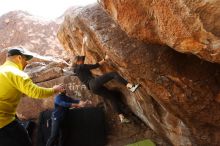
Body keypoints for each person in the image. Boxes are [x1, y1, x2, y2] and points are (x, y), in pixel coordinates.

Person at [0, 47, 65, 146]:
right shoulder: (17, 73)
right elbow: (35, 92)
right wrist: (54, 90)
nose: (27, 63)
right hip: (3, 122)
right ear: (19, 58)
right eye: (25, 59)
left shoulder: (2, 70)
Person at [72, 35, 139, 123]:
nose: (82, 60)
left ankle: (121, 117)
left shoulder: (77, 69)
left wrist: (84, 43)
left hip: (93, 89)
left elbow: (82, 55)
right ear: (77, 62)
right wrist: (105, 59)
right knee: (113, 74)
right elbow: (95, 65)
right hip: (93, 83)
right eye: (80, 60)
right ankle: (130, 86)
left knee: (112, 97)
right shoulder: (80, 67)